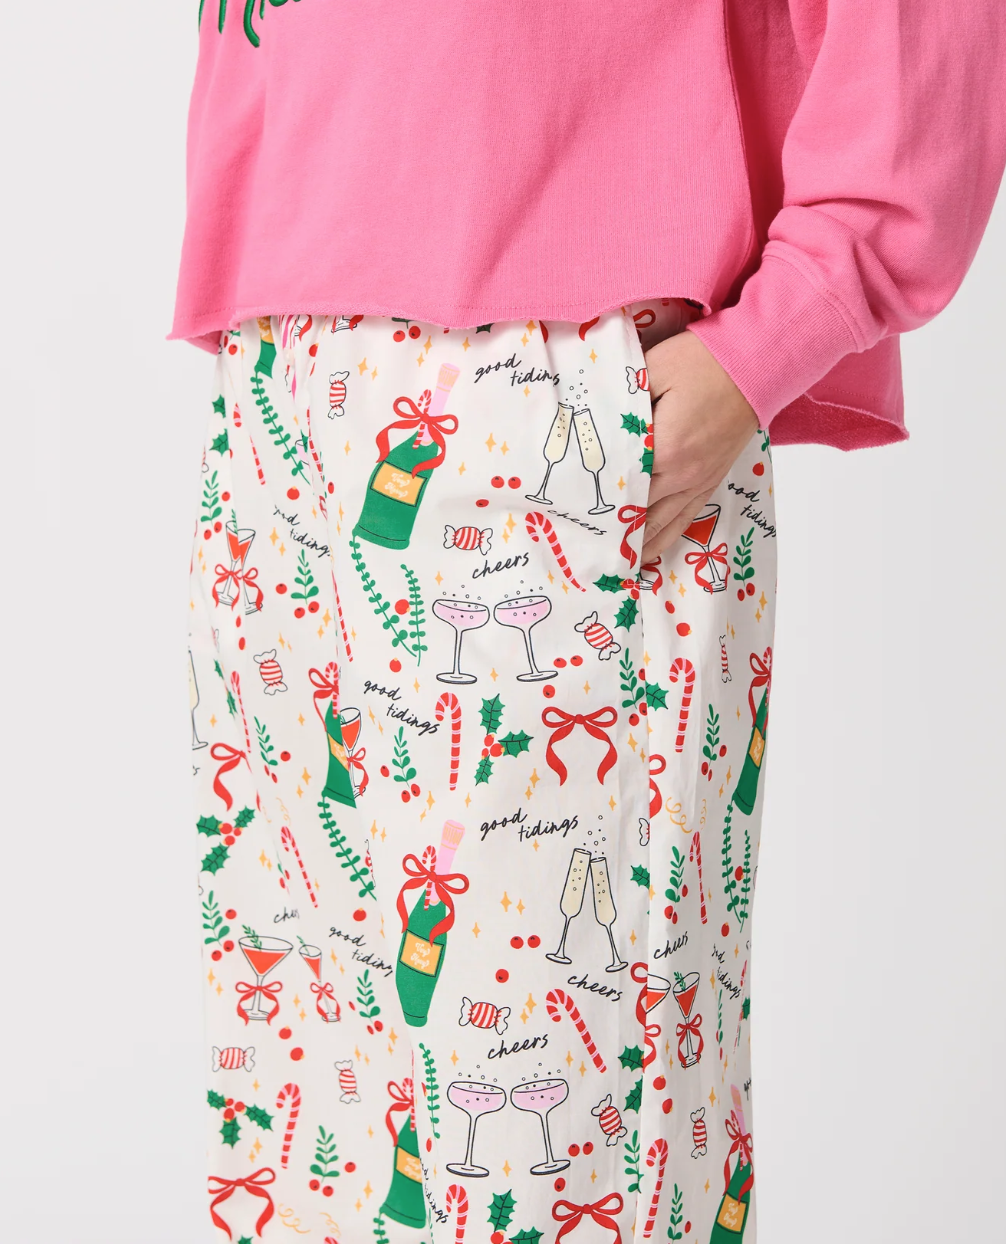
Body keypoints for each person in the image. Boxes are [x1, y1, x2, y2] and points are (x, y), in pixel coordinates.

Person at [175, 5, 1005, 1242]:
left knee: (552, 1165)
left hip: (537, 376)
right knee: (318, 1159)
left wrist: (795, 310)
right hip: (283, 370)